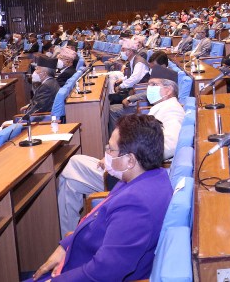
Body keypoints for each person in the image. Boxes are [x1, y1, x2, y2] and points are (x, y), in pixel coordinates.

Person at [35, 114, 172, 281]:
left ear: (130, 160)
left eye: (111, 149)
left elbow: (104, 271)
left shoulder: (136, 205)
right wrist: (65, 246)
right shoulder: (144, 177)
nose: (106, 153)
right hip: (78, 259)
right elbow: (97, 218)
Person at [58, 65, 184, 236]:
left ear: (168, 90)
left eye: (154, 84)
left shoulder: (172, 111)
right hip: (132, 164)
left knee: (72, 170)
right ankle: (72, 233)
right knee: (73, 171)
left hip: (135, 172)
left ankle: (69, 236)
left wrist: (121, 157)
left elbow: (167, 146)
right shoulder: (163, 106)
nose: (149, 88)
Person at [108, 52, 170, 131]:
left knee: (112, 109)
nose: (152, 69)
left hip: (146, 106)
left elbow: (150, 93)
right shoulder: (161, 72)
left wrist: (131, 98)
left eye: (154, 66)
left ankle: (118, 137)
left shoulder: (166, 78)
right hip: (143, 101)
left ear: (163, 65)